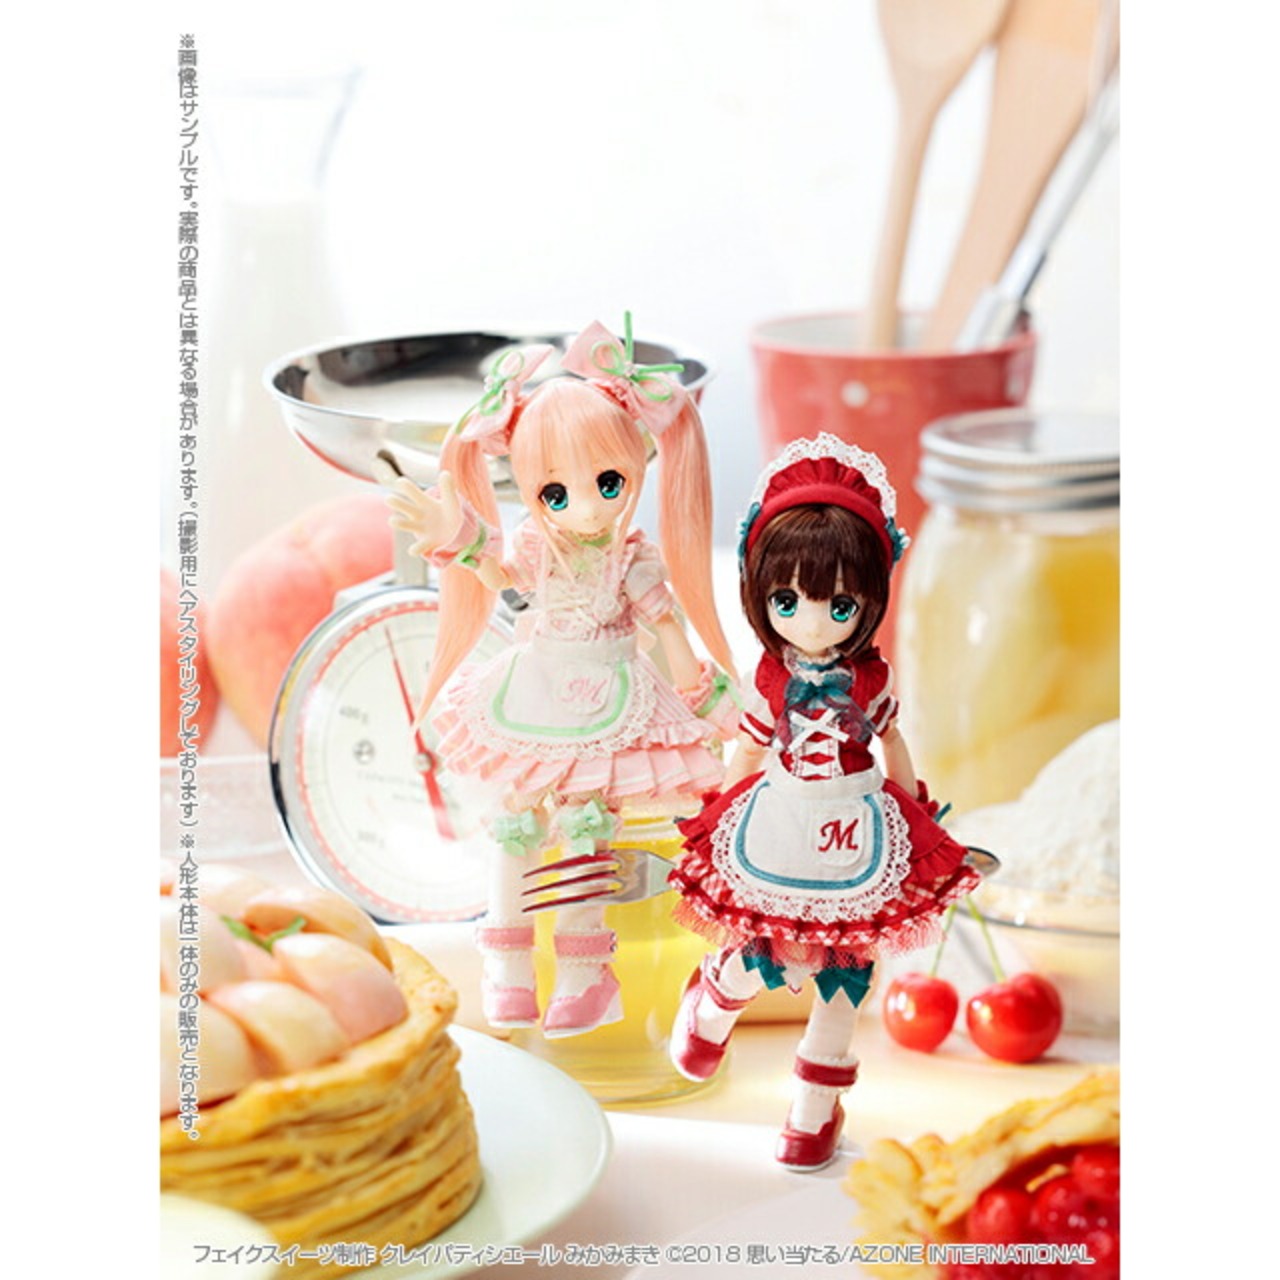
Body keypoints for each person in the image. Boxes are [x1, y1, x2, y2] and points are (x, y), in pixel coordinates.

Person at [388, 316, 735, 1039]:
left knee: (584, 825)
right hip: (539, 684)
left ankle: (583, 976)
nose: (584, 508)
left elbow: (671, 630)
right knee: (518, 822)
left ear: (637, 466)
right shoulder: (536, 548)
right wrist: (454, 539)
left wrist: (702, 696)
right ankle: (508, 970)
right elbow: (497, 574)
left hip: (612, 690)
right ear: (531, 491)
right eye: (555, 493)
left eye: (608, 483)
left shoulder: (633, 559)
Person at [668, 432, 980, 1170]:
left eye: (839, 605)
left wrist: (914, 806)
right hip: (781, 814)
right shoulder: (770, 681)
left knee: (845, 969)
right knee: (761, 948)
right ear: (760, 595)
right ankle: (714, 1001)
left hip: (857, 823)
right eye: (787, 601)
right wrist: (722, 807)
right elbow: (749, 747)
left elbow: (891, 742)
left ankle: (813, 1109)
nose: (811, 624)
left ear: (870, 601)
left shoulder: (872, 682)